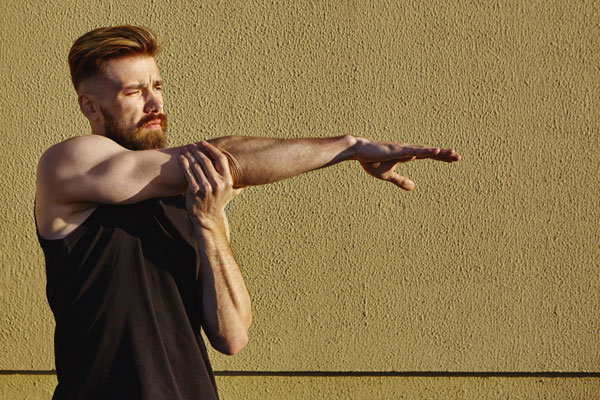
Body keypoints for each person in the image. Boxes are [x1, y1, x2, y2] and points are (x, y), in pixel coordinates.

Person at [34, 25, 460, 399]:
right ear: (89, 106)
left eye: (157, 86)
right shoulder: (70, 163)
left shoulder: (197, 196)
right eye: (133, 92)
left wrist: (209, 224)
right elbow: (227, 158)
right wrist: (348, 147)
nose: (154, 103)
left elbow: (232, 335)